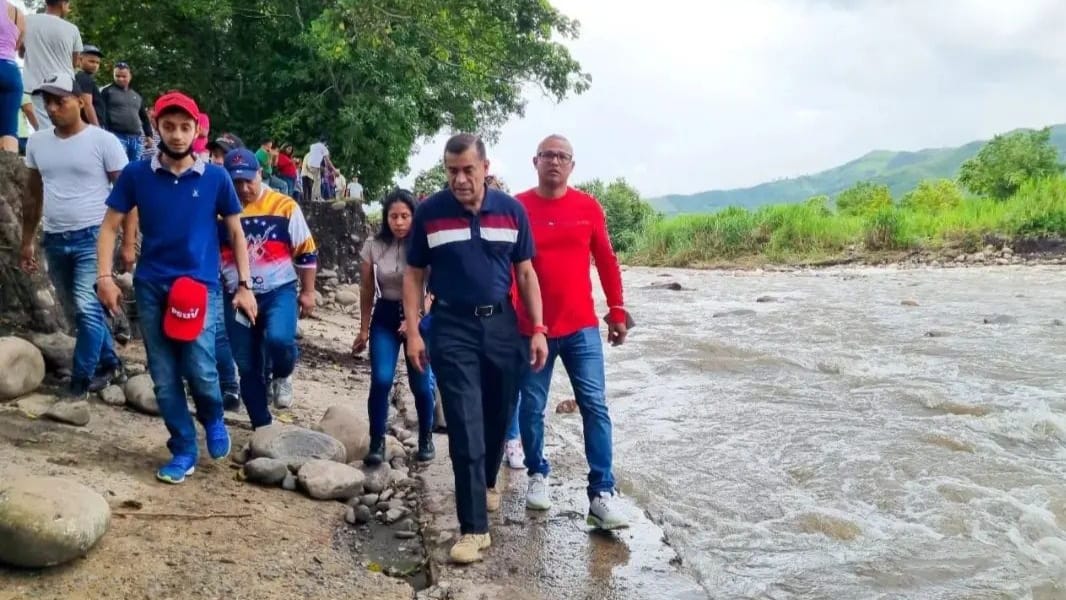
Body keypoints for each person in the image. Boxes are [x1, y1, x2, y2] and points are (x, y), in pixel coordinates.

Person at [95, 91, 258, 484]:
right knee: (164, 376)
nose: (177, 134)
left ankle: (214, 416)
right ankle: (183, 448)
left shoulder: (216, 178)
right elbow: (110, 226)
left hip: (200, 285)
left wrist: (245, 285)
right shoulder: (137, 174)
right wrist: (104, 277)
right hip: (152, 285)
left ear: (198, 130)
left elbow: (236, 233)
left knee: (201, 368)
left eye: (185, 127)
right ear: (156, 126)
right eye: (169, 126)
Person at [402, 133, 548, 564]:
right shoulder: (429, 213)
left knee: (499, 413)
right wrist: (414, 331)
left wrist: (538, 329)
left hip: (502, 324)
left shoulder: (511, 211)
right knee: (464, 422)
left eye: (468, 170)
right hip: (451, 326)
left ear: (485, 168)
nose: (460, 179)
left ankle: (487, 481)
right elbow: (413, 274)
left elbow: (526, 273)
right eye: (452, 171)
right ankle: (473, 530)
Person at [513, 135, 631, 530]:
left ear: (572, 165)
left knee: (595, 405)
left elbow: (606, 260)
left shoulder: (588, 207)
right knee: (532, 406)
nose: (555, 161)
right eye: (548, 155)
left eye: (562, 156)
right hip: (532, 328)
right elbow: (508, 267)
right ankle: (537, 473)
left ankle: (601, 493)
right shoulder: (518, 207)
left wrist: (617, 310)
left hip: (582, 326)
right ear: (535, 161)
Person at [18, 71, 130, 406]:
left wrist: (128, 243)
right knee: (78, 311)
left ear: (81, 101)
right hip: (54, 237)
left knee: (86, 308)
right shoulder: (38, 142)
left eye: (60, 101)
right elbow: (33, 195)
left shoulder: (103, 141)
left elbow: (128, 194)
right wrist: (27, 240)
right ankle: (110, 364)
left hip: (93, 238)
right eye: (47, 102)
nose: (52, 108)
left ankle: (79, 384)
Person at [219, 147, 317, 427]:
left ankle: (283, 373)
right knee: (247, 364)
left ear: (260, 173)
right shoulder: (219, 212)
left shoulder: (284, 206)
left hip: (278, 290)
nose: (244, 188)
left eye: (249, 180)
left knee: (279, 340)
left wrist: (308, 292)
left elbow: (306, 252)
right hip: (236, 295)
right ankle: (262, 426)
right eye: (236, 182)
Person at [353, 189, 437, 465]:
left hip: (420, 319)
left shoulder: (425, 244)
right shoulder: (374, 245)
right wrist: (364, 328)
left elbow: (434, 288)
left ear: (414, 216)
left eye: (405, 216)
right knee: (381, 379)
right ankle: (376, 441)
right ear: (386, 218)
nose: (399, 222)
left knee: (421, 384)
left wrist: (417, 317)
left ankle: (426, 438)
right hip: (385, 316)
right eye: (393, 216)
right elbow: (367, 288)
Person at [20, 0, 81, 130]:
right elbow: (75, 62)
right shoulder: (72, 29)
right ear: (63, 4)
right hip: (65, 86)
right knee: (68, 128)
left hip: (37, 85)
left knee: (46, 129)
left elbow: (20, 51)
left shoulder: (26, 21)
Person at [101, 62, 153, 162]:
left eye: (124, 76)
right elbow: (101, 113)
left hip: (136, 138)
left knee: (135, 167)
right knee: (119, 165)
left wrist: (149, 135)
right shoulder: (107, 91)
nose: (120, 79)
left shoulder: (136, 95)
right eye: (117, 76)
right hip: (117, 135)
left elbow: (144, 117)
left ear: (130, 76)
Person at [0, 0, 24, 153]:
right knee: (9, 131)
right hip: (10, 71)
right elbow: (17, 45)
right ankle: (9, 167)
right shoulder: (17, 13)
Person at [73, 44, 103, 127]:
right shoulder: (84, 77)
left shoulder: (78, 76)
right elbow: (87, 104)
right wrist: (97, 128)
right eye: (91, 61)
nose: (95, 65)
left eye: (97, 63)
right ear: (80, 59)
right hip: (89, 126)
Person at [306, 136, 332, 202]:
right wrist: (334, 170)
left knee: (317, 181)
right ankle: (315, 198)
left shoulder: (312, 146)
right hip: (315, 166)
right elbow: (328, 160)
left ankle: (317, 197)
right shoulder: (324, 147)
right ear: (325, 142)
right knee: (317, 182)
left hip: (310, 165)